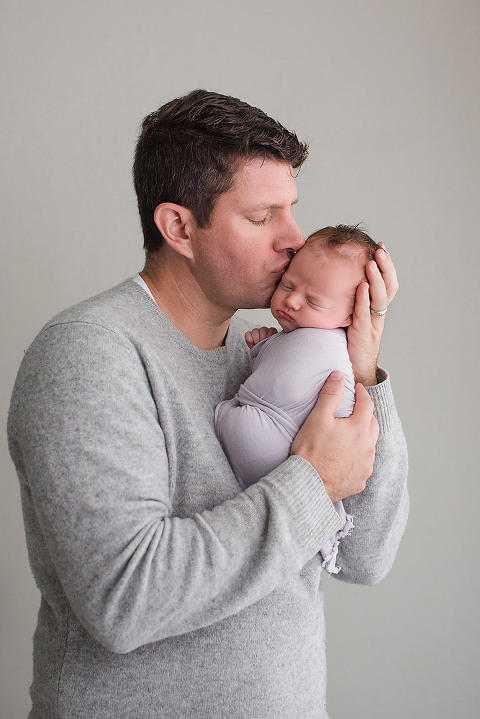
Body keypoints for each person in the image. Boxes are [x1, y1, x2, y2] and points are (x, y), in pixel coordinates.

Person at [7, 89, 408, 719]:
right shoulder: (88, 355)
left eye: (293, 211)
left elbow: (364, 556)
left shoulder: (276, 355)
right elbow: (124, 598)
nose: (294, 240)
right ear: (179, 227)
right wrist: (312, 483)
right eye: (262, 217)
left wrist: (363, 372)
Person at [215, 224, 380, 573]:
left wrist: (366, 369)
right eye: (289, 285)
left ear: (352, 315)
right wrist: (262, 346)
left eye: (313, 300)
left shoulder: (341, 362)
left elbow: (364, 562)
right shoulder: (296, 335)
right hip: (275, 486)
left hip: (283, 462)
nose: (290, 300)